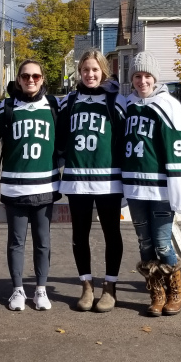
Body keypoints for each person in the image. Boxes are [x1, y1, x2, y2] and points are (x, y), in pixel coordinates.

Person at [120, 52, 181, 317]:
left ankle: (175, 290)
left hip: (161, 188)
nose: (142, 81)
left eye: (147, 76)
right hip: (136, 188)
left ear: (155, 79)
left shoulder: (168, 106)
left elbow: (179, 149)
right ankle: (157, 292)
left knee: (162, 243)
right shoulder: (127, 105)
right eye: (137, 76)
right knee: (145, 243)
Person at [57, 49, 124, 313]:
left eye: (95, 69)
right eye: (86, 69)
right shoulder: (69, 101)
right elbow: (59, 136)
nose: (90, 74)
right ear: (79, 72)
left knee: (111, 233)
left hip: (107, 180)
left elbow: (123, 138)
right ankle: (86, 284)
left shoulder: (116, 101)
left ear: (103, 71)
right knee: (79, 234)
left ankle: (110, 286)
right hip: (77, 180)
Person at [0, 60, 59, 311]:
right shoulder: (7, 106)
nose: (31, 80)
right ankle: (17, 289)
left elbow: (63, 140)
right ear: (18, 79)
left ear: (43, 79)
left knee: (43, 241)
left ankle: (41, 289)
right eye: (26, 76)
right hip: (15, 186)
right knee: (16, 241)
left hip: (45, 186)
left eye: (36, 76)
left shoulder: (53, 105)